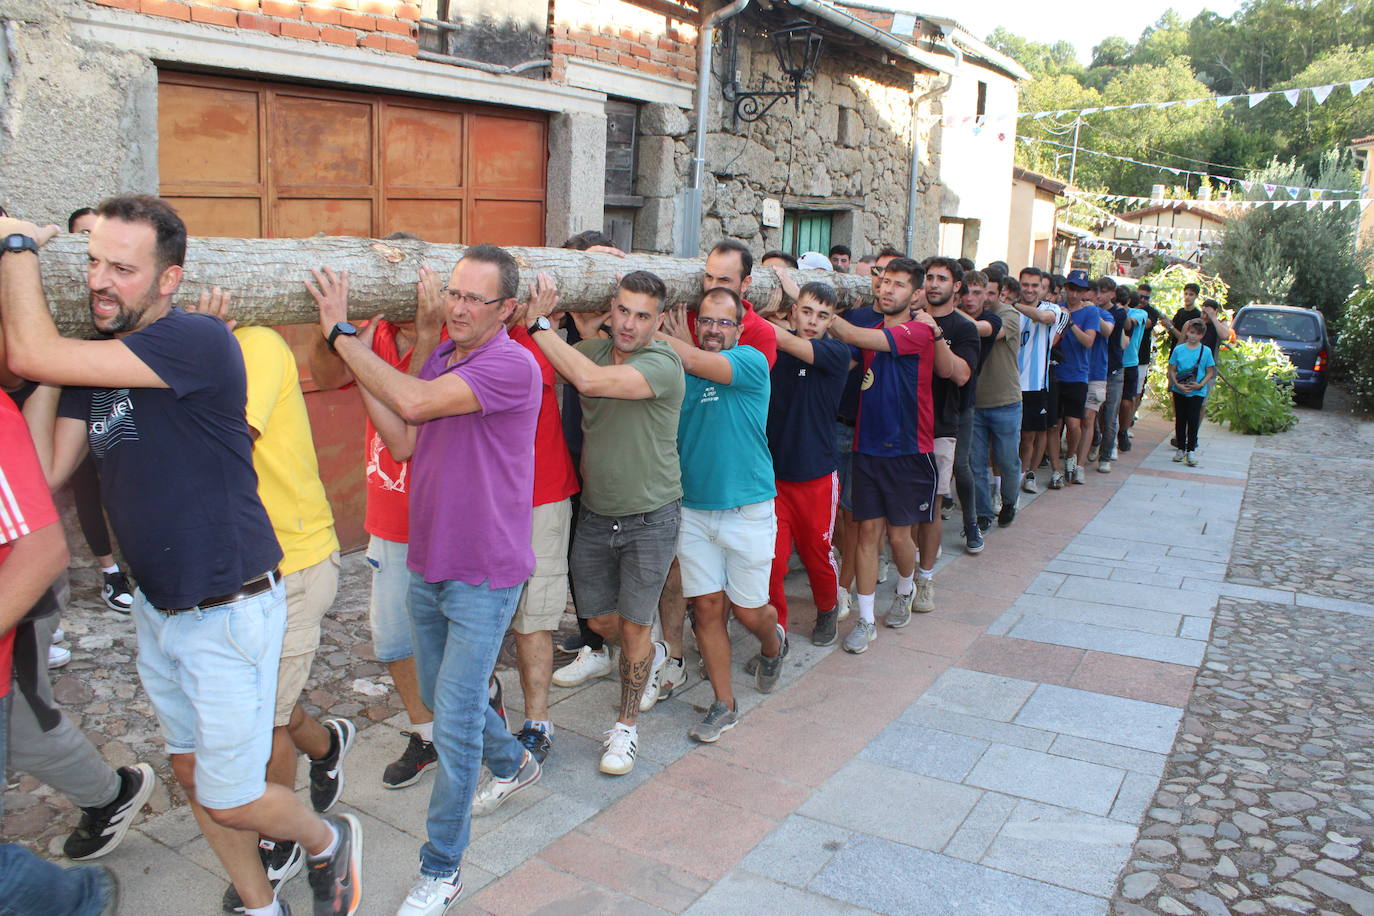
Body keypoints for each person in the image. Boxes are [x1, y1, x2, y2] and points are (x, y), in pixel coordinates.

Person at [1, 196, 362, 916]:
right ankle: (261, 906)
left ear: (170, 280)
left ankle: (329, 840)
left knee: (231, 795)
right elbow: (43, 471)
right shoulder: (95, 364)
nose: (99, 281)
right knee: (195, 775)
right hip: (159, 609)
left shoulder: (194, 339)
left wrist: (16, 247)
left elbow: (27, 351)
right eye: (92, 263)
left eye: (122, 269)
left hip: (227, 606)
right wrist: (57, 358)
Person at [304, 244, 539, 916]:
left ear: (506, 309)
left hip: (485, 571)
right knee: (439, 695)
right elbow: (405, 435)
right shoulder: (445, 358)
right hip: (429, 558)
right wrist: (362, 375)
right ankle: (514, 762)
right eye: (452, 293)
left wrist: (342, 334)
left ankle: (441, 870)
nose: (455, 308)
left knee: (454, 722)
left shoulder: (511, 365)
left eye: (473, 299)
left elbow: (410, 397)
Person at [186, 289, 352, 913]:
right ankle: (326, 745)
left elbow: (222, 445)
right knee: (267, 704)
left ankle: (280, 843)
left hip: (295, 562)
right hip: (240, 569)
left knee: (266, 721)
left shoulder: (253, 345)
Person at [525, 270, 684, 775]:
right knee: (596, 621)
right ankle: (649, 651)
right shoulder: (590, 351)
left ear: (659, 322)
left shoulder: (663, 363)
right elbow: (554, 366)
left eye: (642, 315)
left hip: (651, 515)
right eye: (623, 311)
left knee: (633, 624)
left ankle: (625, 729)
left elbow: (589, 382)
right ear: (609, 309)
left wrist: (539, 325)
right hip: (596, 513)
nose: (630, 324)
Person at [309, 262, 443, 792]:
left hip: (445, 518)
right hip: (390, 516)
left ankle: (475, 710)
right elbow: (325, 377)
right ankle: (426, 734)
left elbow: (415, 410)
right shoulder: (374, 333)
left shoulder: (457, 332)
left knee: (451, 636)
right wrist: (332, 332)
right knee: (392, 639)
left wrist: (427, 334)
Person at [0, 394, 122, 916]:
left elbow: (42, 542)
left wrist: (47, 378)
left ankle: (78, 890)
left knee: (30, 720)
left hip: (23, 596)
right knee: (27, 723)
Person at [659, 287, 782, 741]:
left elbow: (695, 359)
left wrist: (656, 333)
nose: (713, 329)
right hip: (694, 512)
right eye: (706, 321)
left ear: (739, 329)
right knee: (707, 609)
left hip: (747, 511)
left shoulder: (750, 362)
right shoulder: (681, 367)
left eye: (724, 322)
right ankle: (723, 704)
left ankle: (773, 642)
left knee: (750, 612)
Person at [826, 257, 946, 653]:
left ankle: (905, 589)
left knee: (898, 537)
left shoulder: (918, 331)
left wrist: (812, 302)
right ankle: (864, 620)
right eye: (884, 281)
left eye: (898, 284)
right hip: (867, 447)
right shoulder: (874, 329)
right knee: (866, 535)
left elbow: (848, 332)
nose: (887, 289)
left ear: (915, 294)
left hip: (909, 451)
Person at [503, 295, 580, 764]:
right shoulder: (463, 332)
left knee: (534, 618)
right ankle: (486, 708)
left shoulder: (537, 335)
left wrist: (536, 322)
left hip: (541, 494)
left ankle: (537, 723)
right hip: (485, 500)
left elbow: (538, 379)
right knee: (474, 616)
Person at [763, 282, 849, 646]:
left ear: (831, 321)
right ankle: (776, 633)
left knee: (817, 555)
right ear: (794, 312)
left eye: (822, 315)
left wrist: (750, 315)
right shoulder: (773, 350)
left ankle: (828, 607)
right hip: (774, 478)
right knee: (772, 561)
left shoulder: (837, 353)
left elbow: (788, 340)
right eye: (807, 311)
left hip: (817, 478)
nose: (813, 321)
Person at [921, 259, 978, 567]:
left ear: (956, 286)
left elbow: (960, 375)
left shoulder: (964, 328)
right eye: (929, 277)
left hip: (942, 424)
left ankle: (926, 569)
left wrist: (935, 333)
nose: (933, 283)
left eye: (941, 278)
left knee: (933, 501)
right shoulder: (909, 318)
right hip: (905, 423)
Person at [952, 270, 1003, 553]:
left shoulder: (991, 321)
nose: (970, 298)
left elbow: (976, 328)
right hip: (929, 400)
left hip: (963, 402)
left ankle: (971, 524)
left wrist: (943, 309)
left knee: (962, 466)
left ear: (987, 296)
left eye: (977, 293)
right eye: (966, 293)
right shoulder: (942, 315)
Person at [968, 274, 1022, 534]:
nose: (985, 298)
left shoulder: (1008, 315)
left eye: (990, 293)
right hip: (974, 404)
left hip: (1005, 401)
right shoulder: (969, 313)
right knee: (976, 463)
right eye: (981, 292)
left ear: (1001, 293)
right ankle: (983, 513)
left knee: (1007, 460)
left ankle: (1009, 501)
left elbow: (991, 332)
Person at [1013, 267, 1066, 494]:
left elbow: (1044, 318)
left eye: (1035, 285)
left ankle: (1021, 478)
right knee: (1005, 439)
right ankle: (1002, 482)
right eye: (1025, 284)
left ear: (1041, 288)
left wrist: (1012, 305)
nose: (1030, 289)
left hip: (1035, 385)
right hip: (1008, 384)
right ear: (1019, 284)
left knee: (1028, 437)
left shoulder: (1051, 308)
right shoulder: (1009, 310)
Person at [1052, 270, 1100, 487]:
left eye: (1079, 290)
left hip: (1077, 374)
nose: (1073, 294)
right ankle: (1055, 469)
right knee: (1054, 425)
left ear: (1084, 292)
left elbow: (1089, 341)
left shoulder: (1090, 312)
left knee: (1073, 423)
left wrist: (1070, 322)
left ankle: (1071, 456)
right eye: (1071, 289)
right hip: (1055, 373)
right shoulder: (1057, 308)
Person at [1077, 277, 1116, 479]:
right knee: (1072, 421)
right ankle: (1072, 457)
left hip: (1096, 374)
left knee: (1088, 418)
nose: (1088, 300)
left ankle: (1080, 466)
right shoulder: (1070, 310)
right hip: (1074, 372)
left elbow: (1107, 330)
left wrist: (1092, 311)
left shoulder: (1104, 314)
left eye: (1091, 297)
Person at [1168, 318, 1217, 467]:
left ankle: (1191, 450)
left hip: (1197, 391)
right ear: (1187, 332)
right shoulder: (1179, 350)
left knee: (1193, 419)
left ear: (1202, 335)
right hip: (1180, 389)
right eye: (1191, 332)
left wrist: (1200, 384)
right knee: (1180, 419)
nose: (1193, 336)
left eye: (1196, 334)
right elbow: (1172, 369)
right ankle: (1180, 448)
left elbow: (1210, 372)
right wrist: (1177, 384)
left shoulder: (1206, 351)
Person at [1094, 283, 1130, 474]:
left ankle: (1105, 455)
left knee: (1109, 415)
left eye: (1104, 291)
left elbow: (1110, 329)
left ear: (1113, 294)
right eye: (1098, 291)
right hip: (1094, 369)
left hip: (1113, 370)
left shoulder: (1119, 313)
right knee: (1092, 414)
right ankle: (1095, 441)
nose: (1099, 295)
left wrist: (1092, 311)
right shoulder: (1090, 308)